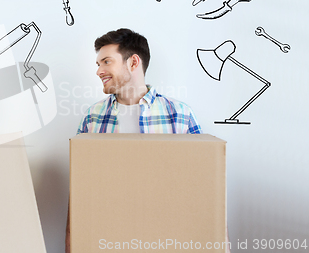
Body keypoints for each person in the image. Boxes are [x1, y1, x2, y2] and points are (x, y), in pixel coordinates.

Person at [66, 29, 230, 252]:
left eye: (106, 62)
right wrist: (70, 242)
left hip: (167, 238)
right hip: (108, 237)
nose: (99, 71)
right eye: (98, 64)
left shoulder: (180, 115)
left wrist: (220, 243)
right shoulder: (93, 117)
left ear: (133, 62)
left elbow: (207, 188)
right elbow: (79, 190)